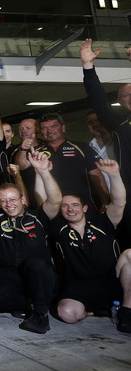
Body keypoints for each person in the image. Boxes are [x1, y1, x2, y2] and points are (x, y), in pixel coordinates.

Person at [0, 150, 61, 334]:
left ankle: (40, 315)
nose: (8, 204)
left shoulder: (39, 217)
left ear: (22, 199)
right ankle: (26, 302)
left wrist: (44, 172)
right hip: (9, 273)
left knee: (37, 265)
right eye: (3, 201)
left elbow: (55, 200)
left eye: (13, 199)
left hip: (38, 274)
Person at [51, 159, 131, 333]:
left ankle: (126, 312)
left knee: (130, 254)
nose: (70, 209)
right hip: (79, 287)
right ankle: (93, 312)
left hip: (112, 282)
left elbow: (118, 203)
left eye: (75, 205)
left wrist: (114, 174)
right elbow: (48, 200)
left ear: (85, 208)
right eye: (65, 206)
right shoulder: (59, 230)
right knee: (66, 313)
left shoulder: (102, 224)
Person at [81, 38, 131, 248]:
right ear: (120, 102)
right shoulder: (120, 123)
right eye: (126, 95)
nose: (130, 97)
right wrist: (88, 67)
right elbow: (98, 100)